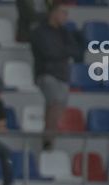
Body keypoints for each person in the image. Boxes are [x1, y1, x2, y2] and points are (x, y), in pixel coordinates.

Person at [29, 2, 83, 149]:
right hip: (46, 74)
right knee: (56, 101)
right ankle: (48, 140)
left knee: (55, 106)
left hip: (62, 75)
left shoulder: (64, 32)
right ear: (53, 13)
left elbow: (75, 50)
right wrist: (64, 51)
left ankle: (47, 137)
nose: (66, 16)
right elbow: (48, 53)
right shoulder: (39, 32)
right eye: (63, 12)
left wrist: (61, 51)